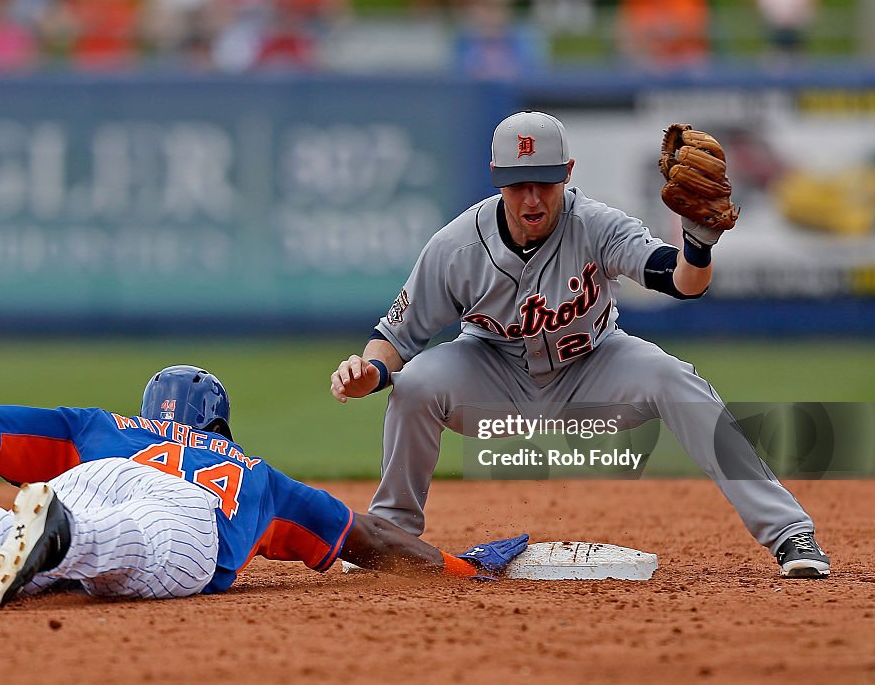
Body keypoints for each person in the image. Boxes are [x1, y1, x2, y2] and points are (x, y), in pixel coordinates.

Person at [329, 110, 830, 579]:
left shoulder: (597, 224)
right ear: (495, 176)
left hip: (592, 367)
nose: (531, 199)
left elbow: (682, 282)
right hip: (491, 378)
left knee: (674, 378)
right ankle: (386, 536)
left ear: (568, 171)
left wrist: (697, 248)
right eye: (518, 184)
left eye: (544, 182)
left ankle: (791, 535)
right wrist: (370, 372)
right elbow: (395, 337)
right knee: (415, 383)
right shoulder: (455, 247)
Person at [0, 365, 528, 609]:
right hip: (187, 517)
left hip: (90, 481)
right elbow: (371, 539)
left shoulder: (99, 428)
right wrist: (458, 567)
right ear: (218, 427)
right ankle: (59, 535)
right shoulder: (256, 475)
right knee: (131, 542)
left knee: (14, 539)